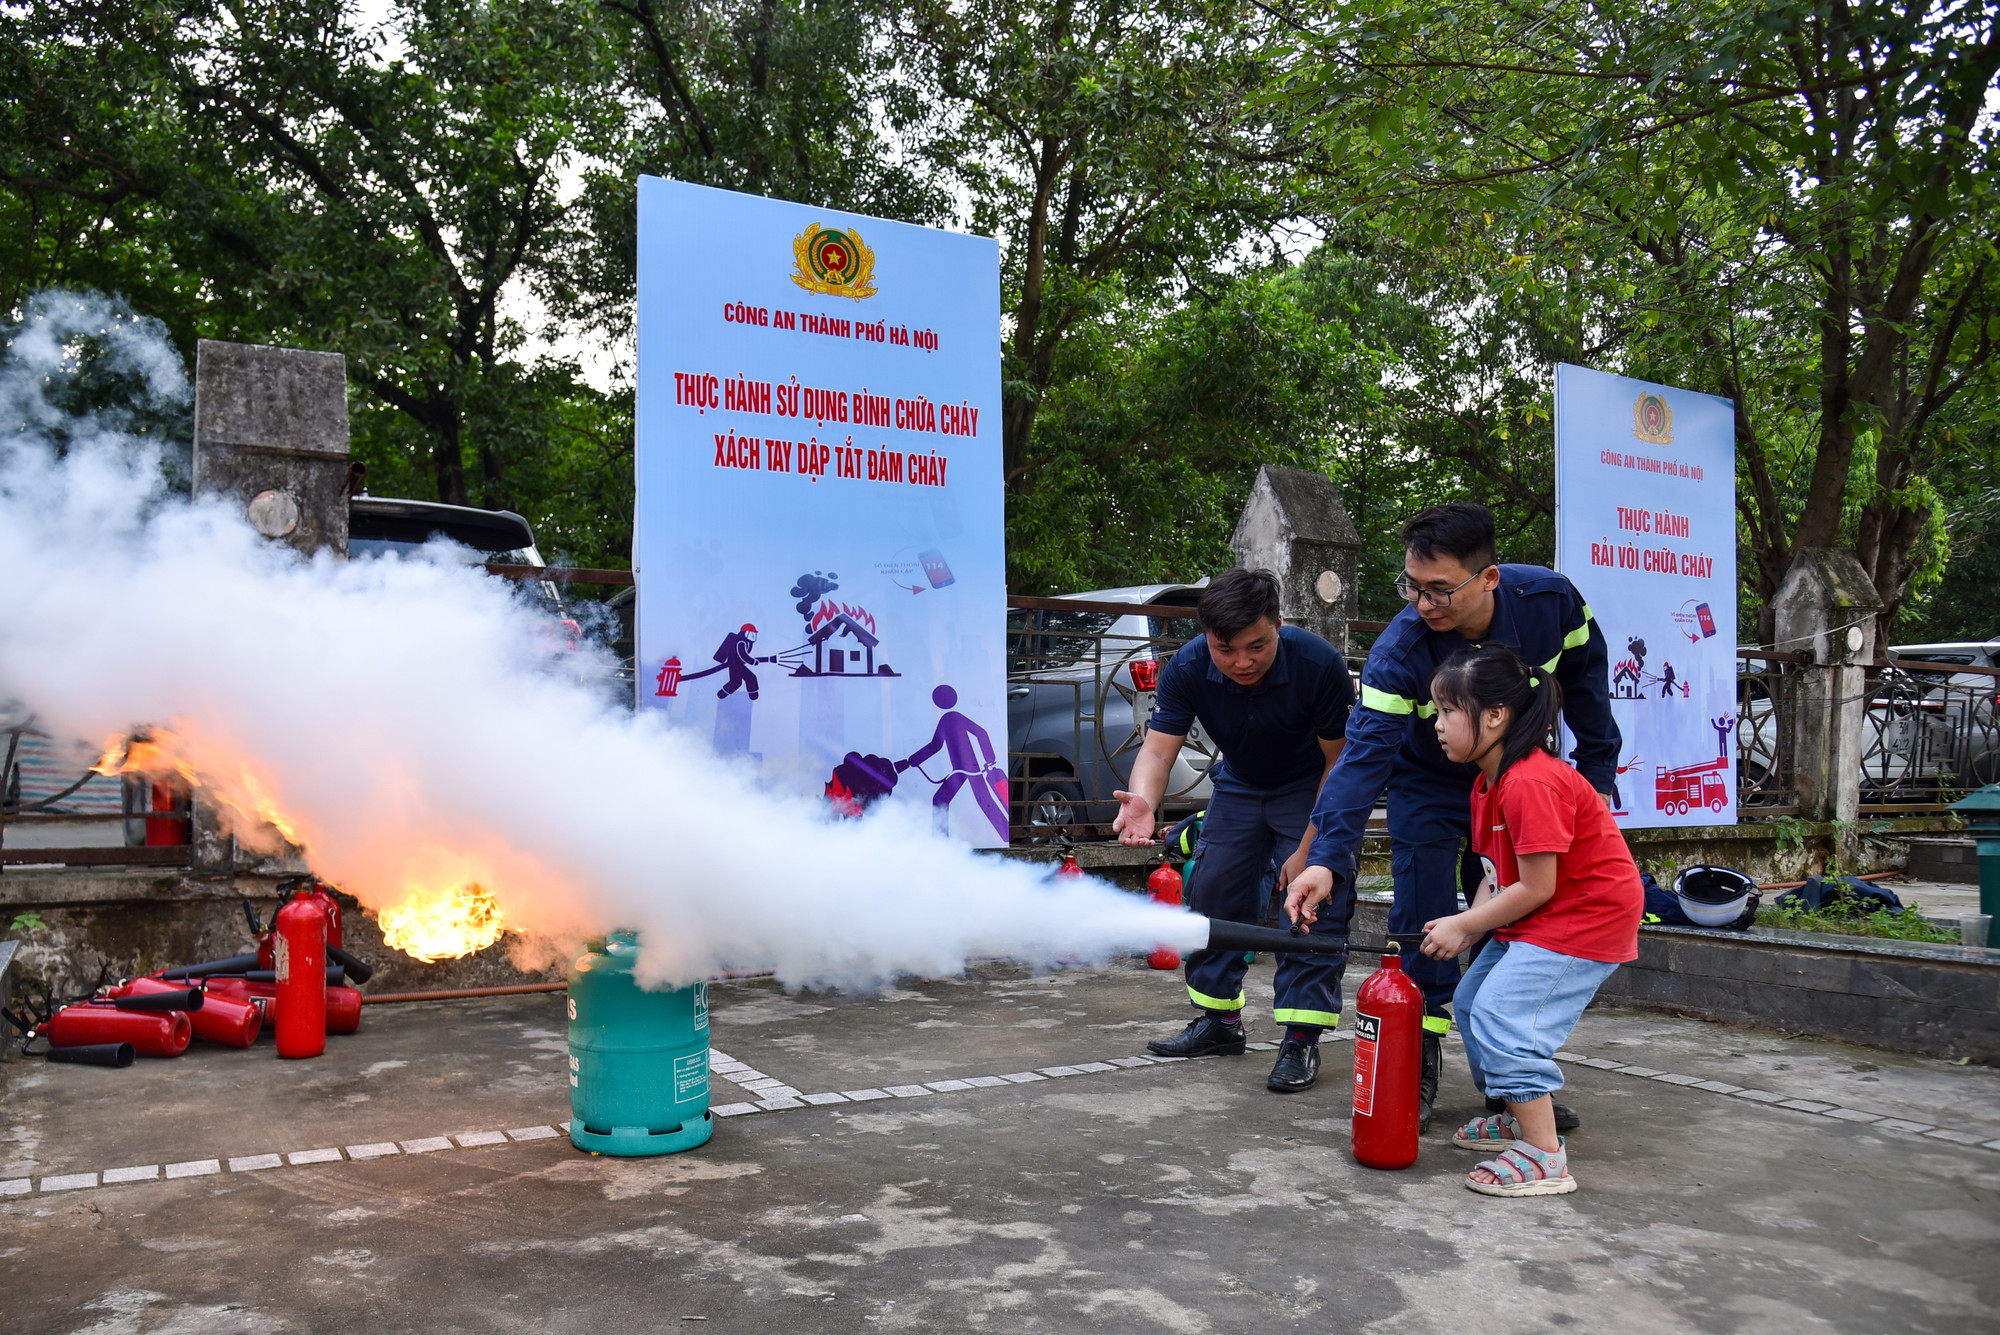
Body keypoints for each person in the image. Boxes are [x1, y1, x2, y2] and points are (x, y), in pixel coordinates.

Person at [1284, 502, 1619, 1131]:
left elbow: (1590, 686)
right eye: (1411, 586)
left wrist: (1596, 780)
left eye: (1439, 589)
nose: (1422, 604)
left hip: (1512, 777)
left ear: (1489, 578)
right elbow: (1361, 762)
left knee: (1512, 919)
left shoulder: (1552, 603)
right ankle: (1420, 1060)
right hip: (1427, 786)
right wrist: (1327, 858)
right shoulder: (1399, 652)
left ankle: (1509, 1082)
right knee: (1424, 916)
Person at [1114, 568, 1354, 1092]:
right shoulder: (1188, 668)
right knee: (1212, 887)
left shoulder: (1318, 665)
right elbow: (1158, 749)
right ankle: (1218, 1022)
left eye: (1257, 646)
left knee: (1312, 902)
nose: (1242, 661)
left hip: (1310, 788)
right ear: (1205, 636)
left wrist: (1313, 849)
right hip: (1241, 784)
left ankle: (1300, 1039)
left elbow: (1340, 767)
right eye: (1226, 649)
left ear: (1279, 625)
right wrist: (1142, 801)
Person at [1416, 644, 1642, 1196]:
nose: (1437, 724)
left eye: (1448, 711)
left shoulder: (1529, 782)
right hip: (1546, 912)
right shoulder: (1488, 782)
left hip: (1585, 917)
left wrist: (1467, 927)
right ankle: (1519, 1118)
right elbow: (1500, 872)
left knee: (1501, 1016)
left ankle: (1544, 1154)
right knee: (1470, 1002)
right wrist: (1464, 917)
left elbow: (1540, 885)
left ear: (1494, 716)